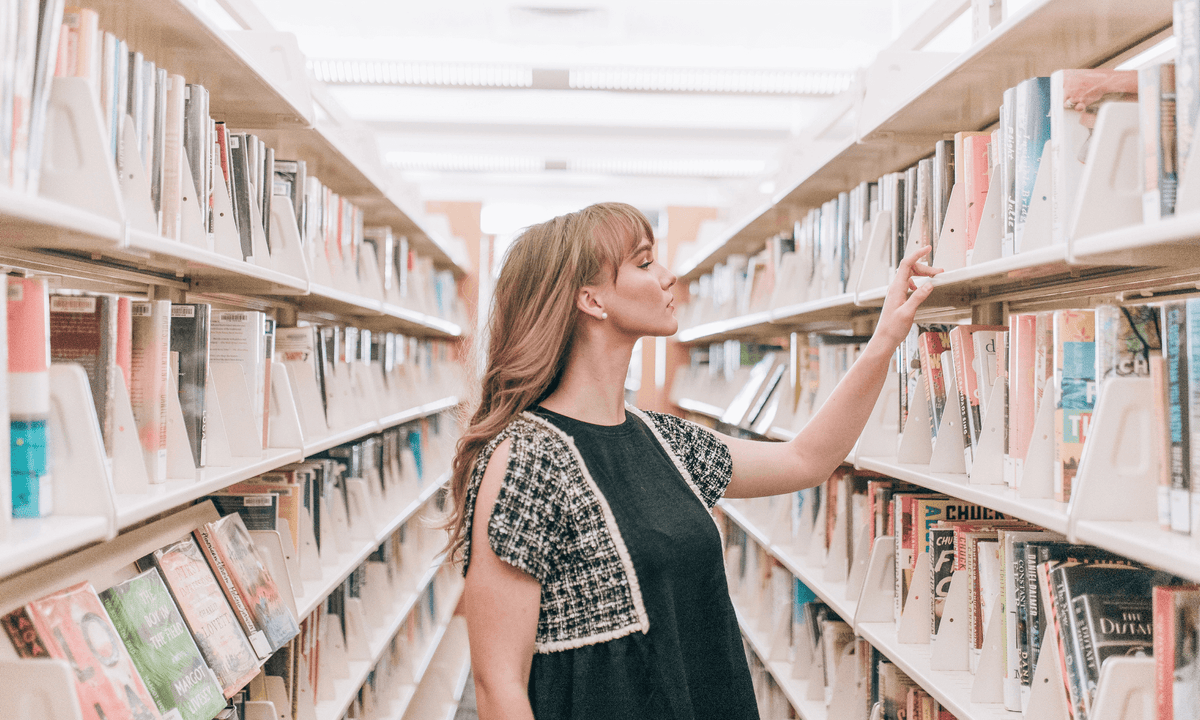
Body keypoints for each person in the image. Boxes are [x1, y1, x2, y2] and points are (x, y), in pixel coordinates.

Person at [446, 202, 940, 720]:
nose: (669, 275)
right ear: (590, 299)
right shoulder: (526, 459)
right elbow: (498, 683)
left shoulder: (663, 440)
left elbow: (805, 460)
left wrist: (885, 339)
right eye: (643, 263)